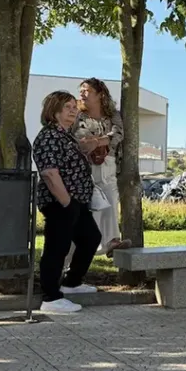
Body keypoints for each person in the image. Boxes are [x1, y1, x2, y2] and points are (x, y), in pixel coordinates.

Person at [33, 91, 102, 313]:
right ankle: (51, 298)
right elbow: (50, 173)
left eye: (74, 106)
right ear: (54, 111)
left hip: (76, 202)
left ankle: (71, 283)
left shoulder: (66, 136)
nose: (73, 110)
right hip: (59, 202)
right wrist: (66, 202)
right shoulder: (49, 136)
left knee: (91, 238)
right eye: (67, 107)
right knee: (57, 246)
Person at [73, 78, 130, 256]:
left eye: (87, 90)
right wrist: (93, 143)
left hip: (108, 163)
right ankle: (72, 258)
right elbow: (76, 138)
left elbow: (118, 133)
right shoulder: (77, 115)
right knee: (90, 209)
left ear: (100, 94)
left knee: (111, 201)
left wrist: (96, 141)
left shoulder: (112, 115)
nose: (82, 93)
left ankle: (111, 241)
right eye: (81, 90)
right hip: (85, 167)